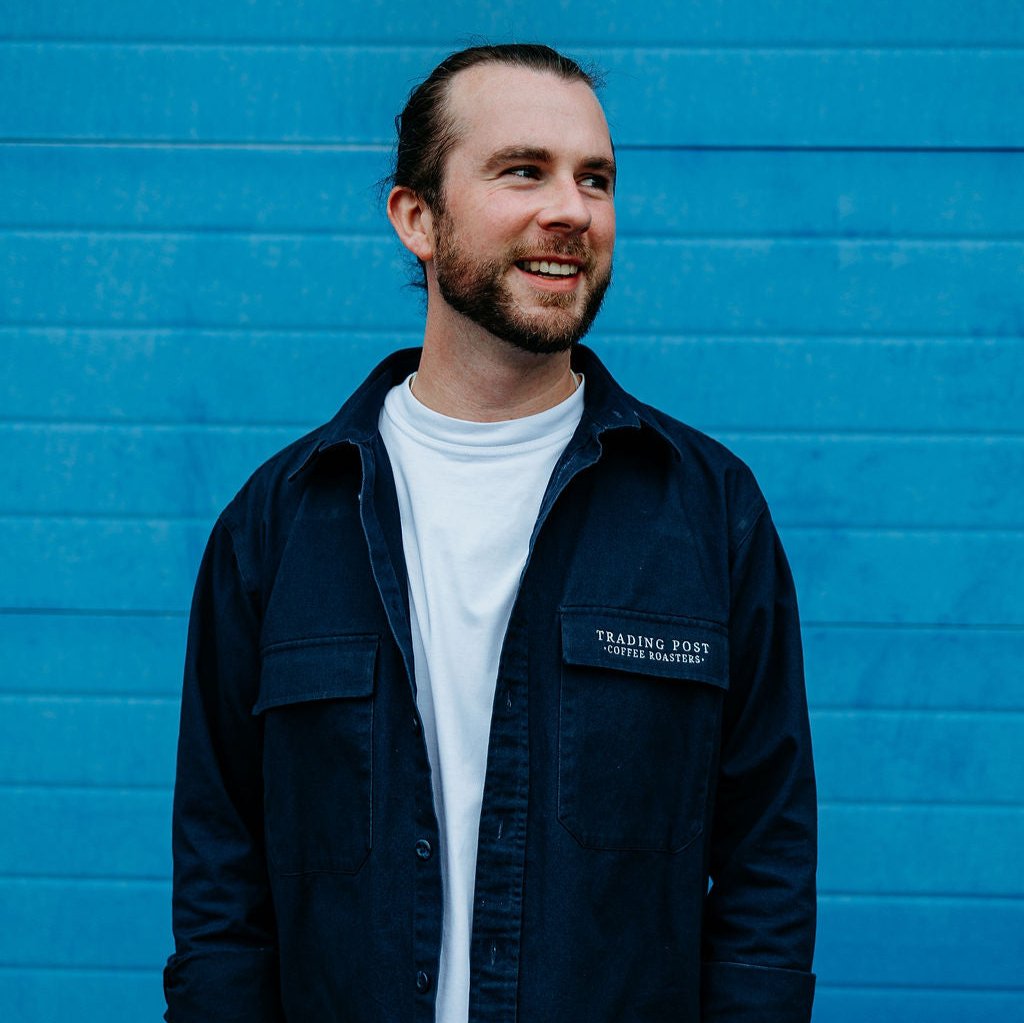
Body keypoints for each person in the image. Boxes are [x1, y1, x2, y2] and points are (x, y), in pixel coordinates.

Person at [164, 43, 817, 1023]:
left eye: (594, 179)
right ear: (415, 217)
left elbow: (766, 862)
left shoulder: (707, 513)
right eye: (524, 170)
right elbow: (222, 883)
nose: (572, 210)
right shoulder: (277, 526)